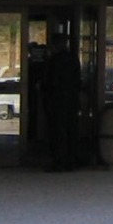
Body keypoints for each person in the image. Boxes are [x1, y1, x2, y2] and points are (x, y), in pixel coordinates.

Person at [41, 34, 83, 171]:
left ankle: (59, 161)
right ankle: (72, 159)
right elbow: (77, 80)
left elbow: (52, 81)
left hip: (57, 101)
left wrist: (43, 88)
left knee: (57, 131)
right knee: (71, 129)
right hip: (72, 100)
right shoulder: (73, 59)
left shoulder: (54, 61)